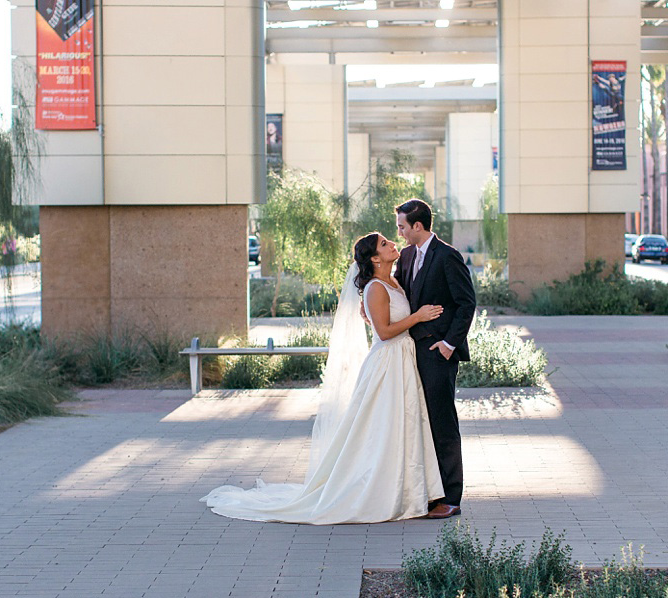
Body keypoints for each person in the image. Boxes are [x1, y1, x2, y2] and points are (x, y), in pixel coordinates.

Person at [200, 233, 445, 525]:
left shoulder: (393, 281)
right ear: (375, 259)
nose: (393, 244)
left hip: (403, 361)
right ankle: (378, 493)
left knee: (402, 426)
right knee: (383, 426)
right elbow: (384, 332)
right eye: (384, 244)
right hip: (387, 363)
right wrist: (417, 316)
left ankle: (406, 492)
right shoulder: (376, 288)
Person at [393, 199, 476, 519]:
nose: (398, 232)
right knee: (419, 422)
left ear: (418, 225)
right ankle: (428, 493)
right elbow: (401, 294)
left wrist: (448, 344)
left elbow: (466, 303)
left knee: (442, 423)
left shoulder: (448, 256)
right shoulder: (407, 255)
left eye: (402, 226)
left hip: (437, 353)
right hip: (409, 351)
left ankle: (451, 497)